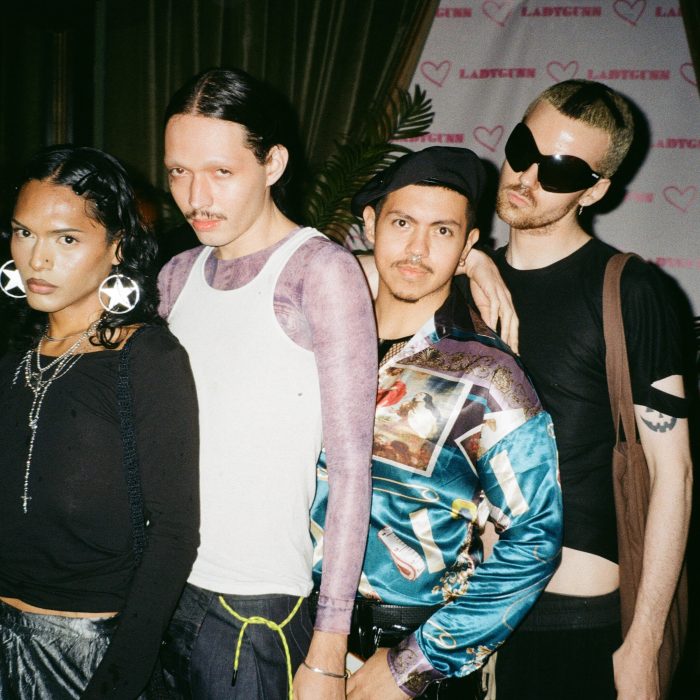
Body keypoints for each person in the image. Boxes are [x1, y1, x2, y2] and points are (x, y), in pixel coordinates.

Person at [156, 67, 378, 700]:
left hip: (253, 609)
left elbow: (352, 470)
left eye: (221, 172)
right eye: (178, 172)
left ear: (273, 163)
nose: (196, 196)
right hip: (160, 587)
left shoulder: (319, 271)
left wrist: (328, 651)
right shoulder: (176, 274)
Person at [309, 146, 563, 699]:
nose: (417, 250)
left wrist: (414, 663)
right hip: (291, 633)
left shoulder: (488, 376)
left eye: (443, 231)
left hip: (407, 647)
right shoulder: (313, 343)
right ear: (371, 224)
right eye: (402, 223)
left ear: (468, 247)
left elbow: (535, 537)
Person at [491, 79, 692, 700]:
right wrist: (470, 259)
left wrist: (643, 643)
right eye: (522, 148)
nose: (526, 175)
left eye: (560, 170)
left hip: (572, 624)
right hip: (460, 617)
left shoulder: (631, 291)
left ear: (595, 190)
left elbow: (674, 474)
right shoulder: (464, 281)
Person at [0, 145, 200, 699]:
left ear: (117, 247)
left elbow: (175, 535)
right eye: (23, 233)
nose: (37, 260)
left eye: (66, 239)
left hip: (84, 656)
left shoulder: (147, 359)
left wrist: (117, 681)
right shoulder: (14, 357)